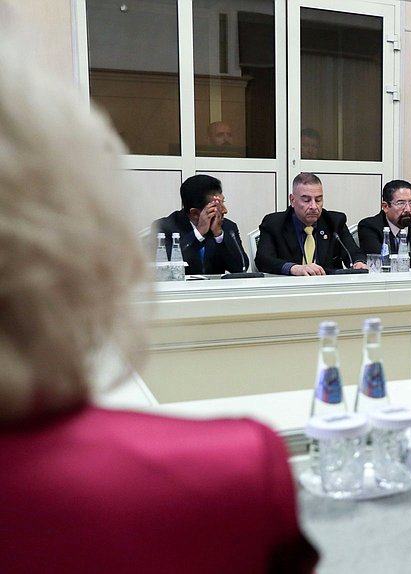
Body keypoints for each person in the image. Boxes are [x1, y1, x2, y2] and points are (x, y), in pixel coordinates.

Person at [0, 25, 317, 573]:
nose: (220, 208)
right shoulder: (165, 226)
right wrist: (198, 237)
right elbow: (170, 270)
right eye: (211, 204)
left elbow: (238, 269)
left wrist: (218, 235)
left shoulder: (231, 227)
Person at [255, 172, 366, 275]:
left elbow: (353, 252)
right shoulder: (274, 223)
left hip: (328, 289)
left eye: (318, 200)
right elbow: (263, 260)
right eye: (306, 200)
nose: (314, 206)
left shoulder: (335, 222)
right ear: (292, 200)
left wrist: (358, 262)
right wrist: (294, 268)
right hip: (289, 289)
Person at [152, 174, 249, 275]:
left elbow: (241, 268)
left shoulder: (227, 227)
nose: (225, 210)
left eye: (223, 202)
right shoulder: (164, 227)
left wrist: (219, 235)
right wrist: (198, 233)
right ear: (194, 213)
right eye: (216, 206)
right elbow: (165, 268)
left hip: (215, 289)